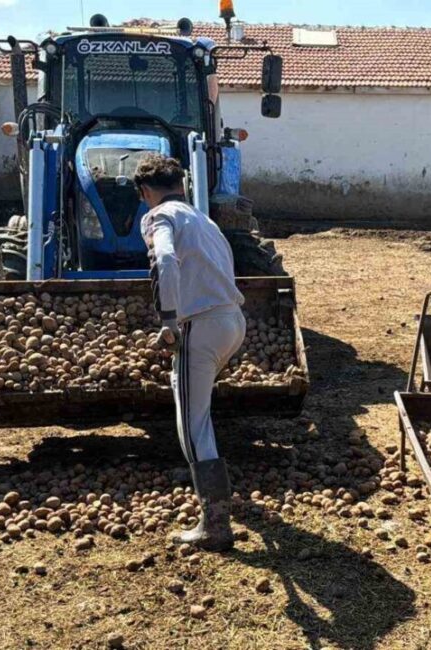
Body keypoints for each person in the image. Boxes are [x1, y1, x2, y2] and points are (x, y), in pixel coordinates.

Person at [134, 154, 246, 552]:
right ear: (182, 184)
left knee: (193, 425)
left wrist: (168, 319)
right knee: (201, 414)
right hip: (233, 320)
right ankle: (219, 505)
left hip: (201, 326)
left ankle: (215, 525)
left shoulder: (158, 216)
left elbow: (163, 258)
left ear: (146, 192)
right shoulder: (203, 218)